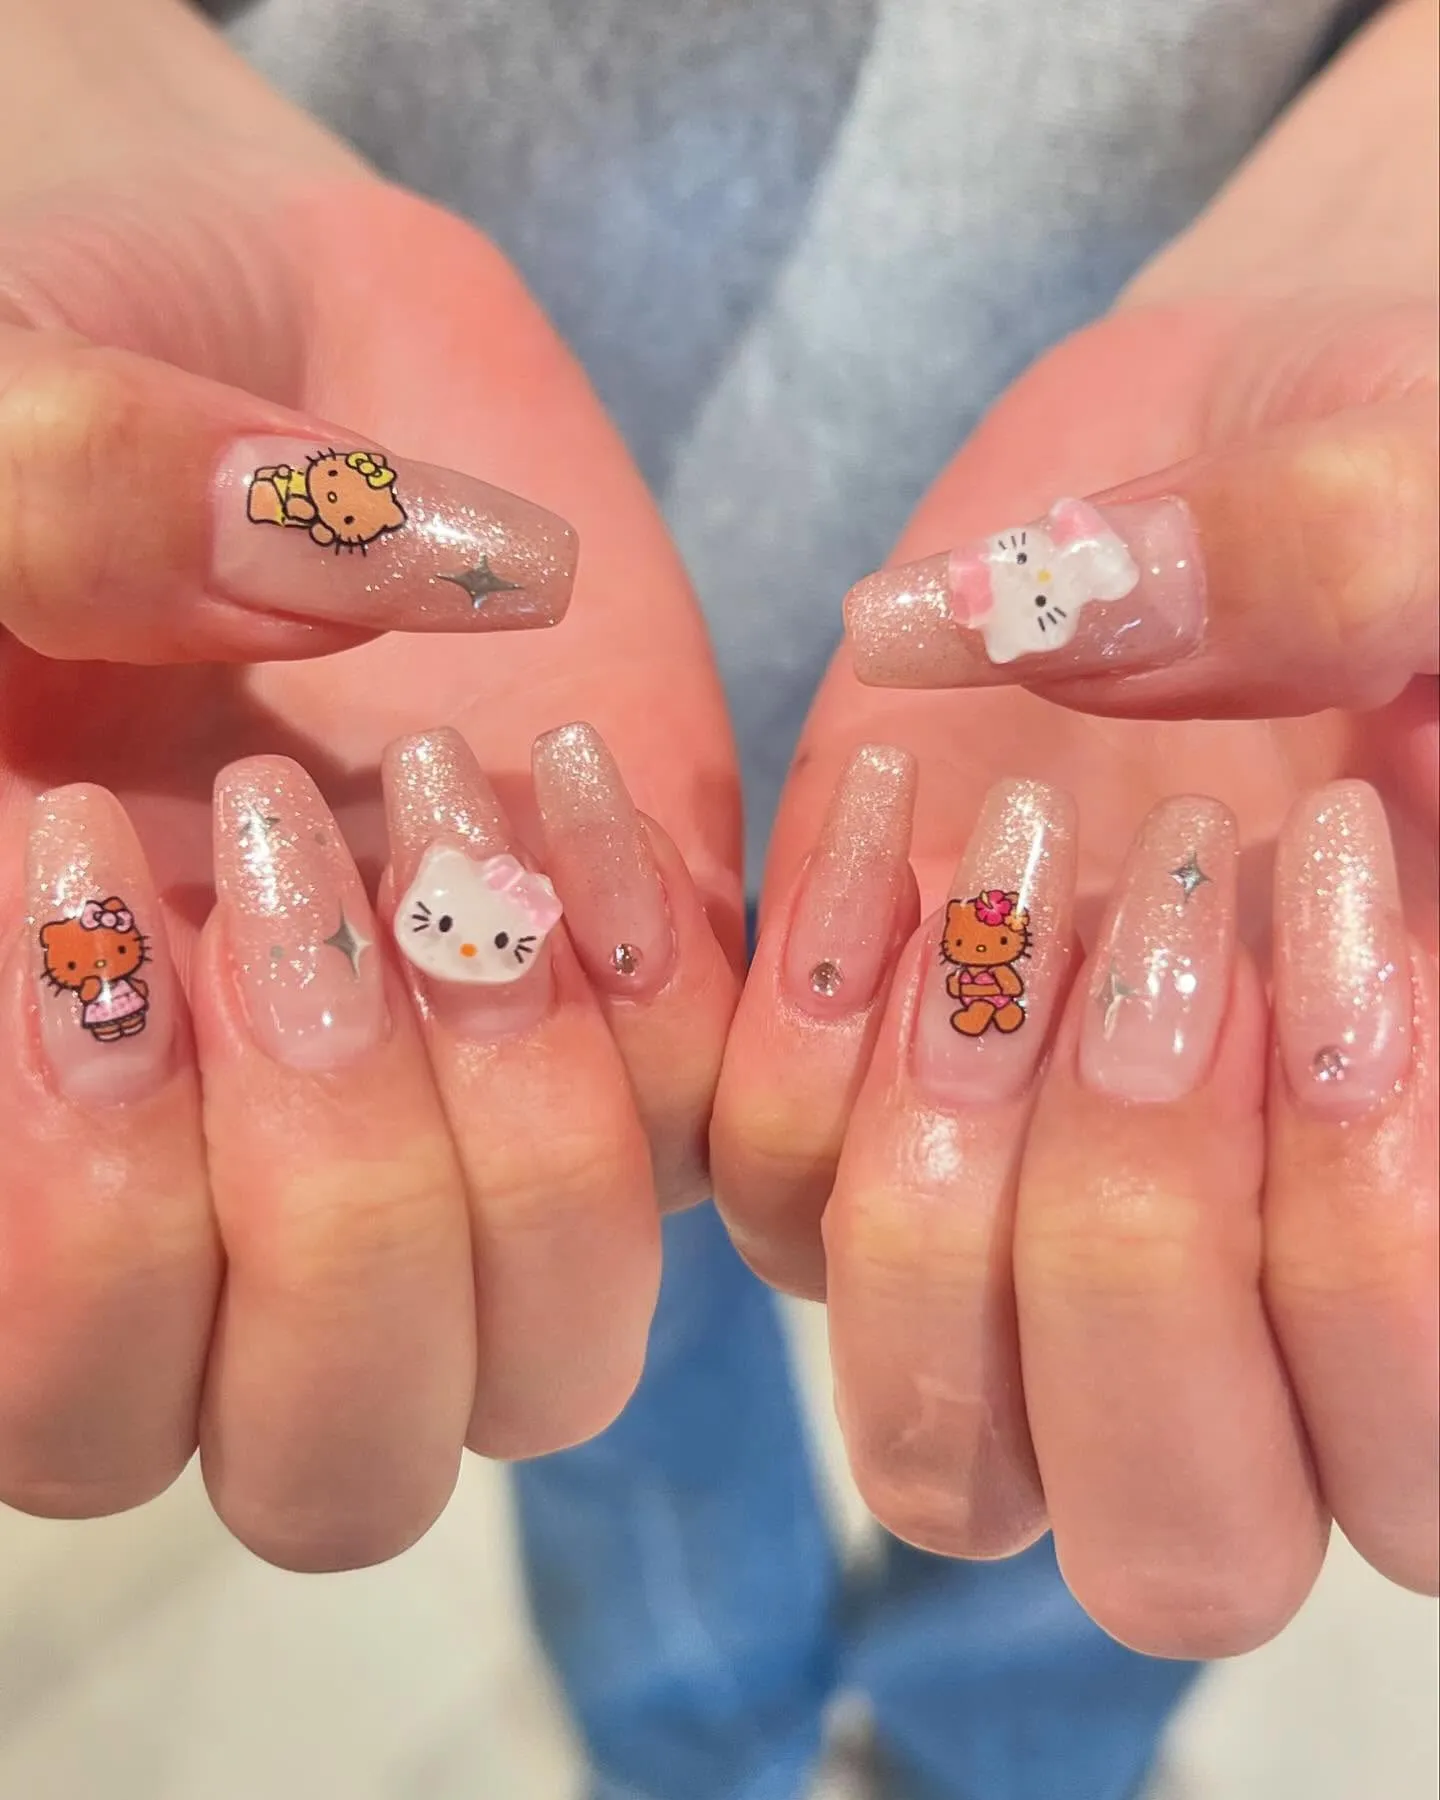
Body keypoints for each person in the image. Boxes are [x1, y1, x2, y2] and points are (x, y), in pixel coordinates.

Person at [0, 3, 1433, 1798]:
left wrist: (1399, 191)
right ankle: (699, 1758)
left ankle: (1002, 1764)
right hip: (372, 709)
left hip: (1213, 650)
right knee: (579, 1325)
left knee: (1155, 1331)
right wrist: (65, 93)